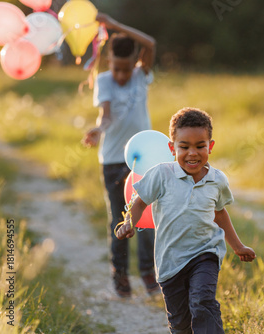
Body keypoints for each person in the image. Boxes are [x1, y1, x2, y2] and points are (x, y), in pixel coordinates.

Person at [116, 107, 256, 333]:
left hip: (205, 254)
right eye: (184, 147)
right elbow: (140, 202)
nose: (193, 153)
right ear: (172, 148)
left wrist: (238, 246)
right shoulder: (161, 175)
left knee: (202, 303)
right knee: (180, 325)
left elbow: (219, 213)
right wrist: (129, 222)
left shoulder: (217, 180)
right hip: (170, 261)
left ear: (210, 146)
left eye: (200, 146)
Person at [81, 13, 159, 298]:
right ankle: (121, 275)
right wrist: (97, 130)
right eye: (117, 69)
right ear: (109, 62)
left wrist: (114, 26)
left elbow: (150, 42)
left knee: (147, 218)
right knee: (119, 219)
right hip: (113, 161)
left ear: (134, 64)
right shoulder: (103, 80)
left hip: (145, 159)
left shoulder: (142, 75)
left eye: (127, 69)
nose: (123, 75)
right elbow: (105, 115)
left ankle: (148, 272)